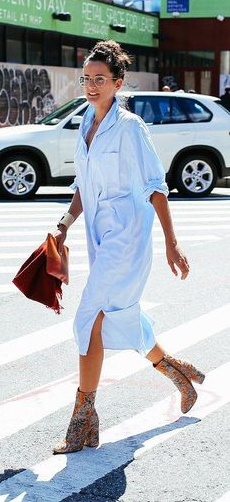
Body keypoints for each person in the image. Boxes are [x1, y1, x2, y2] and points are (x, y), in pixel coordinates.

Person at [52, 40, 205, 455]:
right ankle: (174, 368)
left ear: (117, 83)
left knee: (89, 318)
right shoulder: (86, 122)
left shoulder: (131, 127)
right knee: (114, 317)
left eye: (100, 79)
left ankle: (83, 419)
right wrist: (64, 226)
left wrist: (173, 243)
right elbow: (83, 186)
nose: (91, 86)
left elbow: (157, 187)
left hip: (128, 237)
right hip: (100, 238)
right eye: (86, 79)